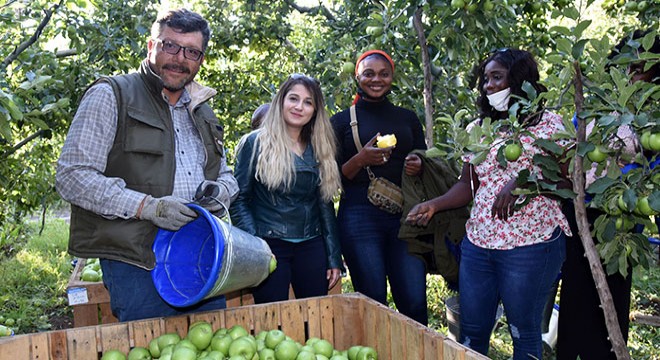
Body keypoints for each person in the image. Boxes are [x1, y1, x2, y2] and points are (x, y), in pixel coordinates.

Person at [55, 9, 239, 322]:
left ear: (201, 59)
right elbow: (72, 176)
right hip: (138, 261)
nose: (179, 58)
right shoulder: (111, 95)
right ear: (151, 45)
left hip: (200, 255)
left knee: (213, 347)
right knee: (149, 345)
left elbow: (226, 175)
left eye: (191, 51)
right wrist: (148, 207)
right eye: (170, 45)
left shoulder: (203, 112)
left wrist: (219, 190)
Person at [406, 48, 572, 358]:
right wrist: (435, 204)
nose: (488, 85)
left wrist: (527, 182)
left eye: (497, 77)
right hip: (479, 245)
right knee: (472, 331)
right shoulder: (480, 128)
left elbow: (571, 184)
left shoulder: (551, 126)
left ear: (520, 80)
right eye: (485, 79)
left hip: (529, 246)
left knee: (523, 332)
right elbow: (468, 185)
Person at [557, 30, 659, 360]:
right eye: (627, 62)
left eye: (641, 66)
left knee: (612, 292)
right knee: (576, 291)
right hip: (582, 208)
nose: (633, 71)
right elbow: (574, 142)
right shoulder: (597, 103)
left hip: (624, 214)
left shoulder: (651, 115)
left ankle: (607, 353)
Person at [331, 50, 428, 325]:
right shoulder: (340, 121)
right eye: (369, 73)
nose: (376, 79)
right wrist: (360, 160)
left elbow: (424, 160)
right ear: (357, 76)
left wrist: (417, 163)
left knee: (414, 299)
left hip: (404, 214)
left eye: (383, 74)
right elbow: (331, 179)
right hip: (359, 215)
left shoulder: (407, 118)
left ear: (392, 77)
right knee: (372, 300)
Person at [230, 74, 343, 304]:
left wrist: (333, 257)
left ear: (315, 110)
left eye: (308, 102)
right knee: (272, 320)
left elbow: (325, 204)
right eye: (293, 98)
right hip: (268, 244)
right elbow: (239, 199)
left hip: (312, 244)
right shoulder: (254, 143)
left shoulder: (320, 147)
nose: (299, 107)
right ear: (281, 101)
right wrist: (256, 247)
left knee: (315, 319)